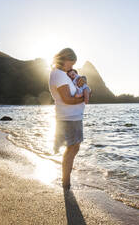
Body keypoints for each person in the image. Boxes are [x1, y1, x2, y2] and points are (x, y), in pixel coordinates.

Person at [48, 48, 87, 190]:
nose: (72, 67)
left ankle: (66, 181)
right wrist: (84, 98)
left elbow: (71, 95)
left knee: (73, 148)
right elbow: (67, 99)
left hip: (71, 117)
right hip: (70, 118)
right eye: (71, 64)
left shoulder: (61, 74)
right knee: (72, 148)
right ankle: (66, 182)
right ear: (65, 59)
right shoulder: (58, 74)